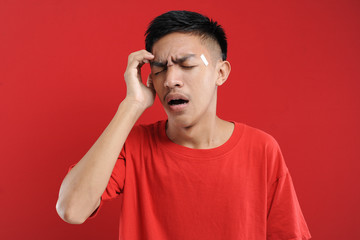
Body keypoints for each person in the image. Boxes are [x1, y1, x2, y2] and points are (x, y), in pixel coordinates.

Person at [56, 10, 311, 240]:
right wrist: (131, 105)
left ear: (220, 73)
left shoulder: (261, 150)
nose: (171, 80)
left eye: (187, 65)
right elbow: (71, 209)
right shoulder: (133, 145)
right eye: (159, 69)